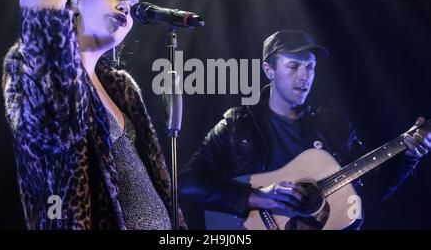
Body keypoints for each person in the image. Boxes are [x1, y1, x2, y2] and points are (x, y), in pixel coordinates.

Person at [2, 0, 186, 230]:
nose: (124, 9)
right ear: (75, 0)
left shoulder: (122, 89)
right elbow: (49, 134)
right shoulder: (29, 60)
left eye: (130, 5)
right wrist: (44, 23)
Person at [179, 29, 431, 229]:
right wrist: (257, 197)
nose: (304, 76)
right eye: (293, 66)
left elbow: (373, 190)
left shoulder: (334, 124)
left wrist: (408, 158)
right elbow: (187, 183)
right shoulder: (237, 122)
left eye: (310, 67)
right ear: (270, 70)